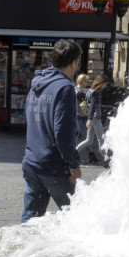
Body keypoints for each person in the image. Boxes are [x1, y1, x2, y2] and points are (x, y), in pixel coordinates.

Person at [21, 39, 82, 224]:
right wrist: (73, 164)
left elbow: (29, 118)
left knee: (29, 222)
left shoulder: (37, 83)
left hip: (32, 161)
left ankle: (18, 243)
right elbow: (63, 132)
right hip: (54, 166)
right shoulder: (65, 87)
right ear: (74, 63)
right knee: (78, 219)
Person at [76, 75, 107, 164]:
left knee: (89, 140)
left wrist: (110, 107)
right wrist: (89, 119)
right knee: (101, 139)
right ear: (101, 83)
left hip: (91, 117)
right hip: (95, 118)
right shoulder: (96, 93)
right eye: (105, 84)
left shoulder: (90, 91)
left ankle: (74, 151)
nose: (106, 86)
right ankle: (106, 158)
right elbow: (92, 106)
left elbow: (92, 105)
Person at [74, 74, 95, 161]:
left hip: (78, 116)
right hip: (77, 116)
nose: (88, 83)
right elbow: (84, 105)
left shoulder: (79, 90)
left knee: (80, 135)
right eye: (86, 81)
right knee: (85, 136)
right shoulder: (78, 91)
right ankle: (91, 154)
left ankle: (90, 154)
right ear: (82, 81)